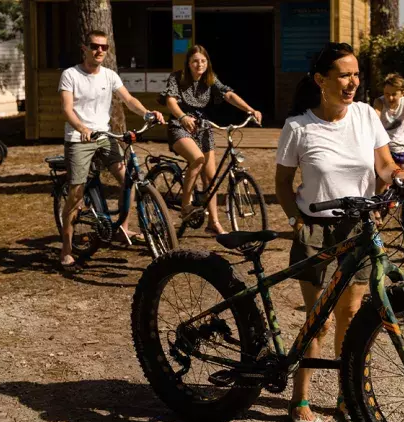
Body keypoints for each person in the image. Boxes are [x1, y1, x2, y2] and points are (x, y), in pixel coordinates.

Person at [275, 42, 404, 422]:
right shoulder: (298, 127)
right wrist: (295, 219)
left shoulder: (365, 115)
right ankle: (300, 400)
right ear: (320, 80)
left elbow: (383, 163)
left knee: (351, 316)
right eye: (343, 74)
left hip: (359, 228)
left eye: (356, 74)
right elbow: (282, 185)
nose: (352, 82)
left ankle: (347, 394)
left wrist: (399, 176)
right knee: (317, 323)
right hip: (315, 231)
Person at [58, 30, 165, 270]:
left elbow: (128, 100)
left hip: (104, 136)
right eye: (95, 46)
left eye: (104, 47)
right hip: (79, 137)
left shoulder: (109, 75)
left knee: (128, 178)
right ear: (84, 48)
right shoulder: (70, 75)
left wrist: (147, 112)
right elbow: (66, 109)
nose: (99, 51)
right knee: (76, 192)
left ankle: (123, 229)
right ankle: (66, 249)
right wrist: (81, 127)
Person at [160, 45, 262, 235]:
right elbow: (171, 101)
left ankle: (213, 223)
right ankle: (185, 205)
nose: (199, 64)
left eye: (203, 61)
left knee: (211, 178)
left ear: (207, 63)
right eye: (195, 61)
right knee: (197, 159)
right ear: (189, 63)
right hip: (180, 126)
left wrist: (250, 109)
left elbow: (228, 94)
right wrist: (182, 117)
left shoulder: (210, 78)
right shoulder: (177, 77)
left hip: (204, 129)